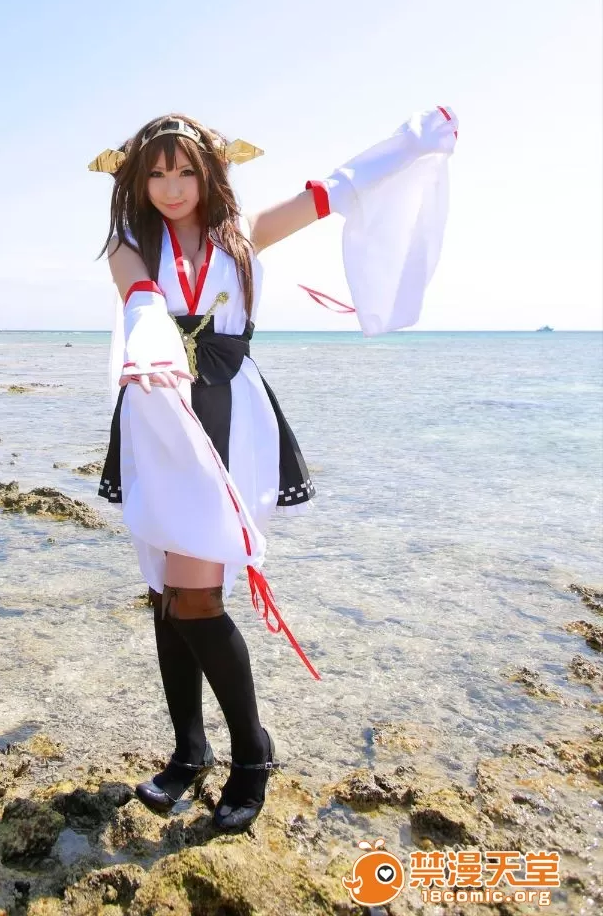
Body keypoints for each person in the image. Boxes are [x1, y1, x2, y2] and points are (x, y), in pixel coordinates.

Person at [89, 107, 458, 835]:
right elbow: (141, 301)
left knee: (197, 600)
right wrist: (152, 347)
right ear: (136, 179)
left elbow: (334, 191)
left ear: (209, 171)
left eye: (185, 170)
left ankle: (252, 754)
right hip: (158, 411)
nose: (171, 187)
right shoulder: (129, 244)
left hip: (227, 414)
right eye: (156, 174)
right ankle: (189, 751)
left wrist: (411, 144)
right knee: (167, 595)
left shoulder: (242, 234)